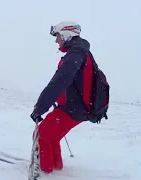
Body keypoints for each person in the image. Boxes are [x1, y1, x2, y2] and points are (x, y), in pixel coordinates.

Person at [30, 21, 100, 174]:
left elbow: (59, 82)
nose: (56, 40)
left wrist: (40, 108)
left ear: (66, 34)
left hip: (73, 109)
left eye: (58, 36)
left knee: (41, 134)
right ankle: (56, 169)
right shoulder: (80, 52)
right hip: (75, 109)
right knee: (51, 136)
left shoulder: (76, 54)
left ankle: (46, 172)